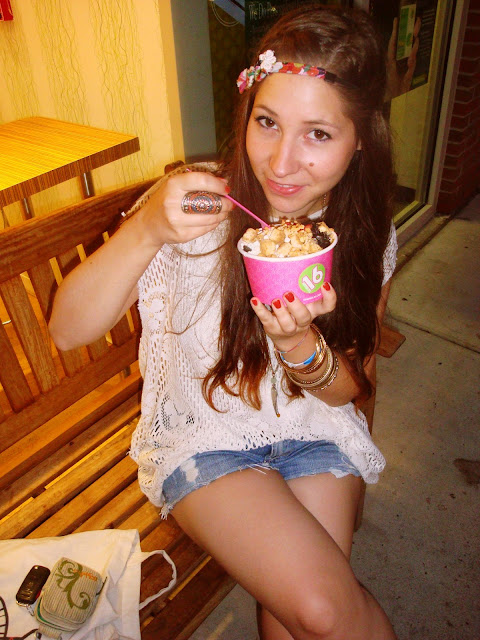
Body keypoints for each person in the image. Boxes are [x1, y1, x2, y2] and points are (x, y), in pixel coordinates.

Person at [49, 5, 398, 639]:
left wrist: (298, 342)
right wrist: (145, 228)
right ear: (246, 115)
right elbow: (66, 331)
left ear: (360, 140)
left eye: (318, 134)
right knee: (322, 610)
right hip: (204, 439)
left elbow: (348, 389)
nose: (281, 163)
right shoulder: (194, 210)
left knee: (303, 616)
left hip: (315, 430)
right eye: (268, 122)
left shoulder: (368, 235)